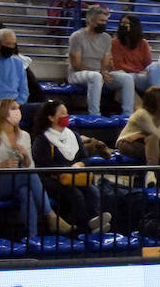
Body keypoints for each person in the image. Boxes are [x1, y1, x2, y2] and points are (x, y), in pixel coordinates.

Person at [31, 100, 111, 233]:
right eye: (62, 113)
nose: (66, 116)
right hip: (53, 179)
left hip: (76, 175)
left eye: (67, 113)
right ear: (51, 117)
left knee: (92, 191)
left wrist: (79, 164)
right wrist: (65, 169)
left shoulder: (73, 135)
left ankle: (95, 221)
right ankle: (83, 228)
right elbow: (43, 164)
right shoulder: (42, 139)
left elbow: (85, 157)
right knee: (76, 194)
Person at [0, 97, 64, 236]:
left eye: (18, 108)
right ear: (3, 112)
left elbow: (30, 166)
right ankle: (51, 216)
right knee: (27, 176)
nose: (18, 111)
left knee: (26, 191)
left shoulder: (24, 136)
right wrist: (0, 165)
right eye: (13, 109)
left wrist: (26, 157)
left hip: (17, 180)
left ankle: (31, 238)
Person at [108, 14, 160, 117]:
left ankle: (157, 103)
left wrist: (142, 71)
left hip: (139, 77)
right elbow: (118, 65)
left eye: (126, 24)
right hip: (125, 75)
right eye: (122, 23)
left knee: (157, 66)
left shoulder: (143, 43)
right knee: (127, 78)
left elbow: (148, 64)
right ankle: (131, 114)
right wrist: (137, 71)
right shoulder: (115, 43)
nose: (123, 26)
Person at [66, 7, 114, 116]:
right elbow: (76, 65)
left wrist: (104, 72)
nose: (104, 23)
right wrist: (99, 73)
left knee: (126, 79)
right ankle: (94, 115)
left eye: (106, 21)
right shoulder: (77, 37)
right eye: (101, 21)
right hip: (76, 74)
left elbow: (105, 63)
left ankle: (127, 115)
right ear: (90, 21)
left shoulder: (106, 38)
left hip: (98, 73)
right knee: (95, 76)